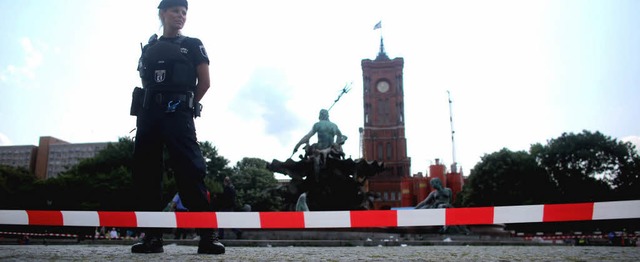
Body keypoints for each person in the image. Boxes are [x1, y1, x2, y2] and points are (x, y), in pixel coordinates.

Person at [130, 0, 224, 255]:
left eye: (184, 12)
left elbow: (204, 83)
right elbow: (146, 81)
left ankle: (207, 236)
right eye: (175, 11)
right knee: (146, 174)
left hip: (178, 114)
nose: (180, 16)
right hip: (149, 115)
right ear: (163, 13)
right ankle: (151, 237)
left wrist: (184, 105)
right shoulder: (149, 47)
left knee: (190, 170)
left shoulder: (192, 44)